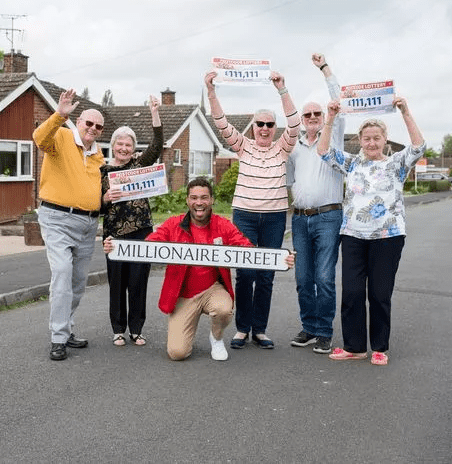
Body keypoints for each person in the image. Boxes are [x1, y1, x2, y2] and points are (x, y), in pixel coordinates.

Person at [104, 177, 295, 361]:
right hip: (184, 294)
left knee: (223, 309)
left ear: (212, 200)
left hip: (213, 289)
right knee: (177, 353)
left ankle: (217, 338)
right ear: (187, 200)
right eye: (194, 198)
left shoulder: (223, 225)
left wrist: (278, 259)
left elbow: (245, 248)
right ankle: (186, 331)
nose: (199, 203)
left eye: (204, 197)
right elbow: (147, 246)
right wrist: (116, 247)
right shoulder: (173, 224)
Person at [317, 96, 426, 366]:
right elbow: (323, 151)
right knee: (352, 292)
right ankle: (354, 346)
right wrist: (330, 117)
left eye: (376, 138)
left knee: (379, 293)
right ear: (360, 140)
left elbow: (419, 146)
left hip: (388, 238)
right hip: (353, 235)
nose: (372, 143)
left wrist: (405, 111)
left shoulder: (396, 164)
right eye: (367, 138)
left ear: (384, 139)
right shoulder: (352, 163)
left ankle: (379, 347)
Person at [205, 69, 300, 350]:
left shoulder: (282, 148)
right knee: (245, 273)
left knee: (266, 275)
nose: (264, 128)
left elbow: (294, 124)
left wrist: (282, 89)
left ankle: (260, 329)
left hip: (273, 218)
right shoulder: (242, 147)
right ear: (253, 125)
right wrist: (211, 91)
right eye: (260, 123)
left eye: (270, 124)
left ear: (274, 128)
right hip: (244, 216)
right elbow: (220, 123)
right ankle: (242, 329)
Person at [33, 89, 106, 361]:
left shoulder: (98, 155)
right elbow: (39, 139)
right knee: (62, 274)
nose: (93, 129)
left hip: (88, 225)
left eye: (99, 126)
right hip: (57, 219)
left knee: (77, 283)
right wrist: (59, 115)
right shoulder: (61, 136)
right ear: (78, 122)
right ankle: (58, 337)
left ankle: (66, 328)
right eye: (89, 123)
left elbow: (96, 190)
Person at [287, 53, 344, 354]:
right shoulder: (294, 148)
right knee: (302, 277)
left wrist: (325, 69)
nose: (311, 119)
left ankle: (323, 330)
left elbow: (339, 99)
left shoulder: (334, 138)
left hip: (328, 217)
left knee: (324, 276)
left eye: (316, 115)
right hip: (299, 218)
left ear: (323, 117)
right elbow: (288, 182)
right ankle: (309, 327)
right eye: (306, 116)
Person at [100, 95, 163, 347]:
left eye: (129, 145)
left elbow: (158, 145)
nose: (124, 149)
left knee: (138, 282)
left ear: (133, 147)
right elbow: (94, 204)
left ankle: (136, 329)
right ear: (113, 146)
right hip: (114, 235)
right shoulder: (102, 171)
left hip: (141, 231)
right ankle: (118, 329)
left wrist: (154, 112)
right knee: (117, 283)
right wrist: (104, 197)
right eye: (120, 144)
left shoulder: (139, 164)